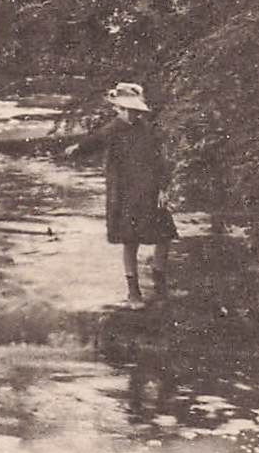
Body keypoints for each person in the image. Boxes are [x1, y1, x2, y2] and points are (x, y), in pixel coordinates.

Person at [63, 81, 176, 308]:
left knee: (165, 236)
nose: (132, 115)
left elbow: (160, 161)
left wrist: (164, 188)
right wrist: (76, 149)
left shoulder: (148, 131)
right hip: (124, 193)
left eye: (135, 111)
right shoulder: (112, 130)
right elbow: (92, 143)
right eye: (127, 110)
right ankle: (133, 292)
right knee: (130, 240)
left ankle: (159, 281)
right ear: (118, 109)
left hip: (150, 190)